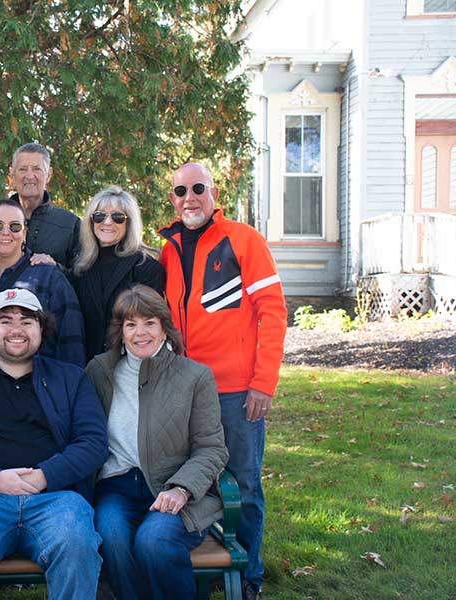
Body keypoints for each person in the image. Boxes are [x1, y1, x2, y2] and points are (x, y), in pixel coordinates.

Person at [158, 162, 287, 600]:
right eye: (180, 190)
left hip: (235, 391)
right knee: (196, 478)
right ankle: (208, 563)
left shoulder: (244, 240)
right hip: (185, 388)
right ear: (172, 198)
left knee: (245, 483)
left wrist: (263, 382)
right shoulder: (169, 249)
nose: (189, 197)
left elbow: (273, 312)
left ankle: (249, 576)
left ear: (214, 193)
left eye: (198, 188)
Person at [0, 288, 108, 600]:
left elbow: (93, 443)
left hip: (56, 498)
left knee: (77, 543)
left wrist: (43, 477)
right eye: (6, 321)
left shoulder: (70, 379)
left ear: (42, 329)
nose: (16, 330)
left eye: (27, 321)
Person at [86, 285, 228, 600]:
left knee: (155, 541)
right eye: (131, 324)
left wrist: (182, 488)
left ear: (164, 327)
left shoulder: (195, 377)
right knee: (110, 535)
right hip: (116, 486)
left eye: (150, 322)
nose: (141, 333)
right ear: (120, 331)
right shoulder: (99, 371)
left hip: (174, 487)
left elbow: (212, 447)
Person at [0, 198, 85, 366]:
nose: (5, 232)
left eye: (14, 226)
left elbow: (71, 344)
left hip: (39, 384)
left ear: (24, 233)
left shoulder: (50, 278)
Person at [72, 185, 165, 362]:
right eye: (99, 216)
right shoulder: (80, 268)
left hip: (131, 367)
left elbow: (149, 325)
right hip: (88, 369)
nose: (107, 222)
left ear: (129, 223)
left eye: (118, 217)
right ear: (90, 222)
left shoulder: (146, 268)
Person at [0, 143, 81, 270]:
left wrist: (56, 268)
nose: (29, 176)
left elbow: (82, 279)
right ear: (12, 174)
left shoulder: (70, 225)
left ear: (49, 174)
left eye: (36, 169)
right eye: (23, 169)